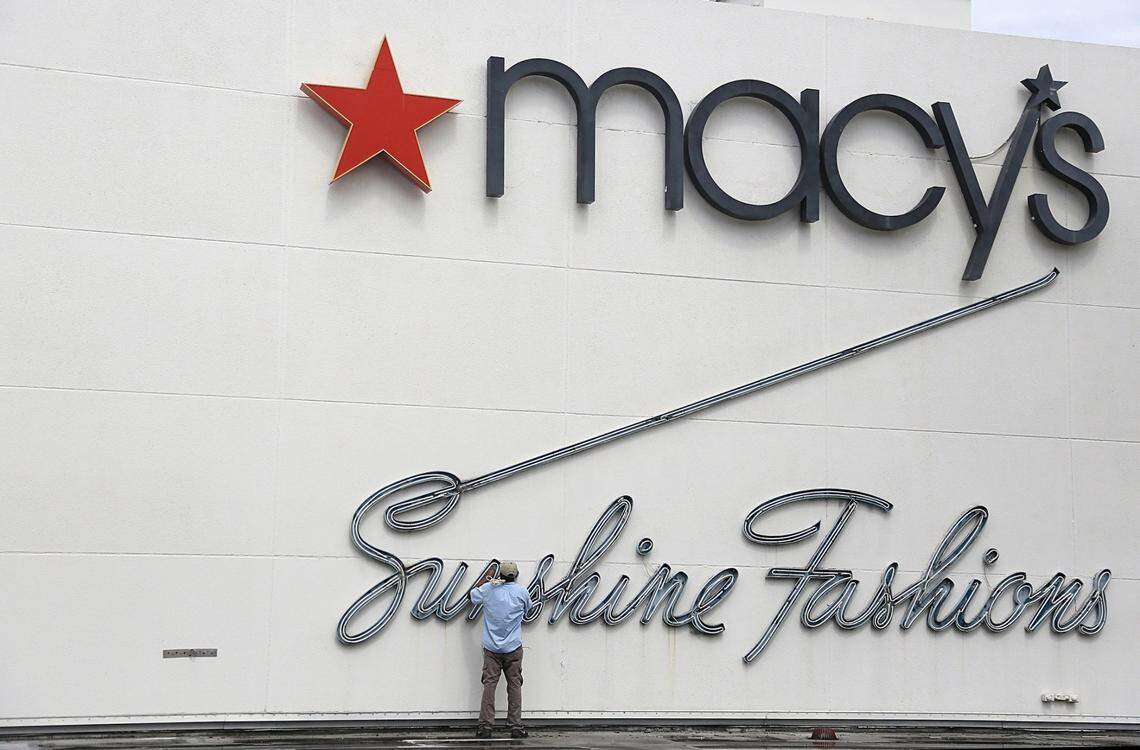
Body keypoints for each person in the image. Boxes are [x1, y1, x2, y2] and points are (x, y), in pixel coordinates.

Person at [469, 560, 530, 738]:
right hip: (513, 647)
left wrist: (485, 580)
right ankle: (516, 726)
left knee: (489, 685)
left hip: (491, 648)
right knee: (515, 685)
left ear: (500, 575)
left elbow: (471, 597)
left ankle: (485, 726)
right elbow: (528, 610)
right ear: (516, 575)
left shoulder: (489, 589)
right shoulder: (521, 592)